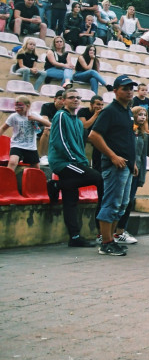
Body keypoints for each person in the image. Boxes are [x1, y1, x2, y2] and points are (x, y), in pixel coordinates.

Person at [88, 74, 139, 257]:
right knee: (111, 203)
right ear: (115, 91)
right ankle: (106, 242)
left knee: (122, 203)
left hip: (125, 165)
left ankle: (110, 239)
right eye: (125, 88)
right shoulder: (110, 111)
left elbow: (126, 139)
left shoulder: (126, 111)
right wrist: (113, 156)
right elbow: (94, 135)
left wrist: (132, 163)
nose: (129, 91)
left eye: (131, 88)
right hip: (114, 165)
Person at [47, 89, 104, 248]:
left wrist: (82, 161)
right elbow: (60, 142)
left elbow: (80, 144)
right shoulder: (60, 116)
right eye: (71, 97)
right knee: (97, 178)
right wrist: (75, 160)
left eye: (78, 98)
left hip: (75, 162)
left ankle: (75, 236)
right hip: (63, 162)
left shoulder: (78, 122)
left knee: (70, 201)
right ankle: (56, 185)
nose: (75, 100)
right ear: (63, 101)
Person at [115, 105, 149, 245]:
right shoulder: (128, 131)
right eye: (140, 114)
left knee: (128, 202)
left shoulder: (143, 134)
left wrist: (142, 176)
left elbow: (143, 156)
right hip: (125, 169)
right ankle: (116, 231)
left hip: (136, 173)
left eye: (145, 115)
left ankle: (121, 230)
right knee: (122, 201)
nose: (143, 117)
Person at [1, 95, 50, 168]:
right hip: (17, 145)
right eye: (16, 106)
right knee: (13, 162)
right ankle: (7, 178)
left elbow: (49, 124)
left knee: (36, 167)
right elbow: (3, 128)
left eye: (20, 106)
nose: (17, 108)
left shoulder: (33, 115)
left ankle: (35, 179)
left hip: (30, 147)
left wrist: (36, 119)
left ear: (28, 106)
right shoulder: (13, 116)